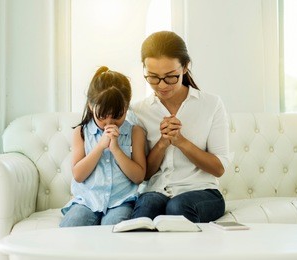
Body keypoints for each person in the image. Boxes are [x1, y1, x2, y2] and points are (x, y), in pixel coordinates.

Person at [130, 31, 230, 223]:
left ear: (185, 67)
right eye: (153, 77)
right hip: (156, 190)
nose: (161, 86)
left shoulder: (211, 104)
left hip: (202, 192)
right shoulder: (139, 111)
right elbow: (144, 174)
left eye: (170, 77)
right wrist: (162, 143)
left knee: (177, 206)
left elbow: (218, 169)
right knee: (147, 205)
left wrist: (181, 141)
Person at [60, 66, 146, 227]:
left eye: (117, 116)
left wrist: (116, 149)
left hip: (121, 201)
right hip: (87, 201)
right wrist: (100, 147)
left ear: (126, 107)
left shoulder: (136, 133)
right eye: (102, 117)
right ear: (91, 106)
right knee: (70, 226)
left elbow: (138, 176)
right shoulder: (81, 132)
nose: (109, 123)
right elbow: (78, 175)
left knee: (115, 227)